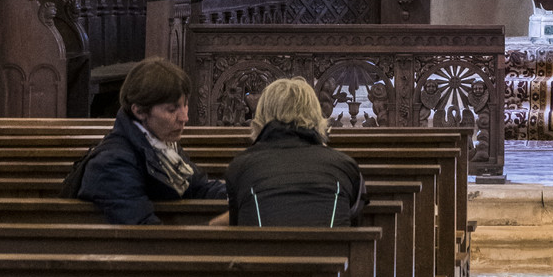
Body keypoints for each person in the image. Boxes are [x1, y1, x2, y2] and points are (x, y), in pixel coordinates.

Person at [69, 58, 227, 223]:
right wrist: (211, 229)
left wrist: (242, 194)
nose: (184, 117)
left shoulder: (160, 145)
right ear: (139, 111)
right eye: (172, 109)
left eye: (185, 105)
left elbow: (198, 188)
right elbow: (143, 232)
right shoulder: (112, 163)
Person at [224, 77, 364, 227]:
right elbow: (354, 223)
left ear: (262, 116)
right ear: (316, 115)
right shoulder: (344, 166)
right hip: (330, 250)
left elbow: (236, 220)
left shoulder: (241, 167)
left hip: (263, 250)